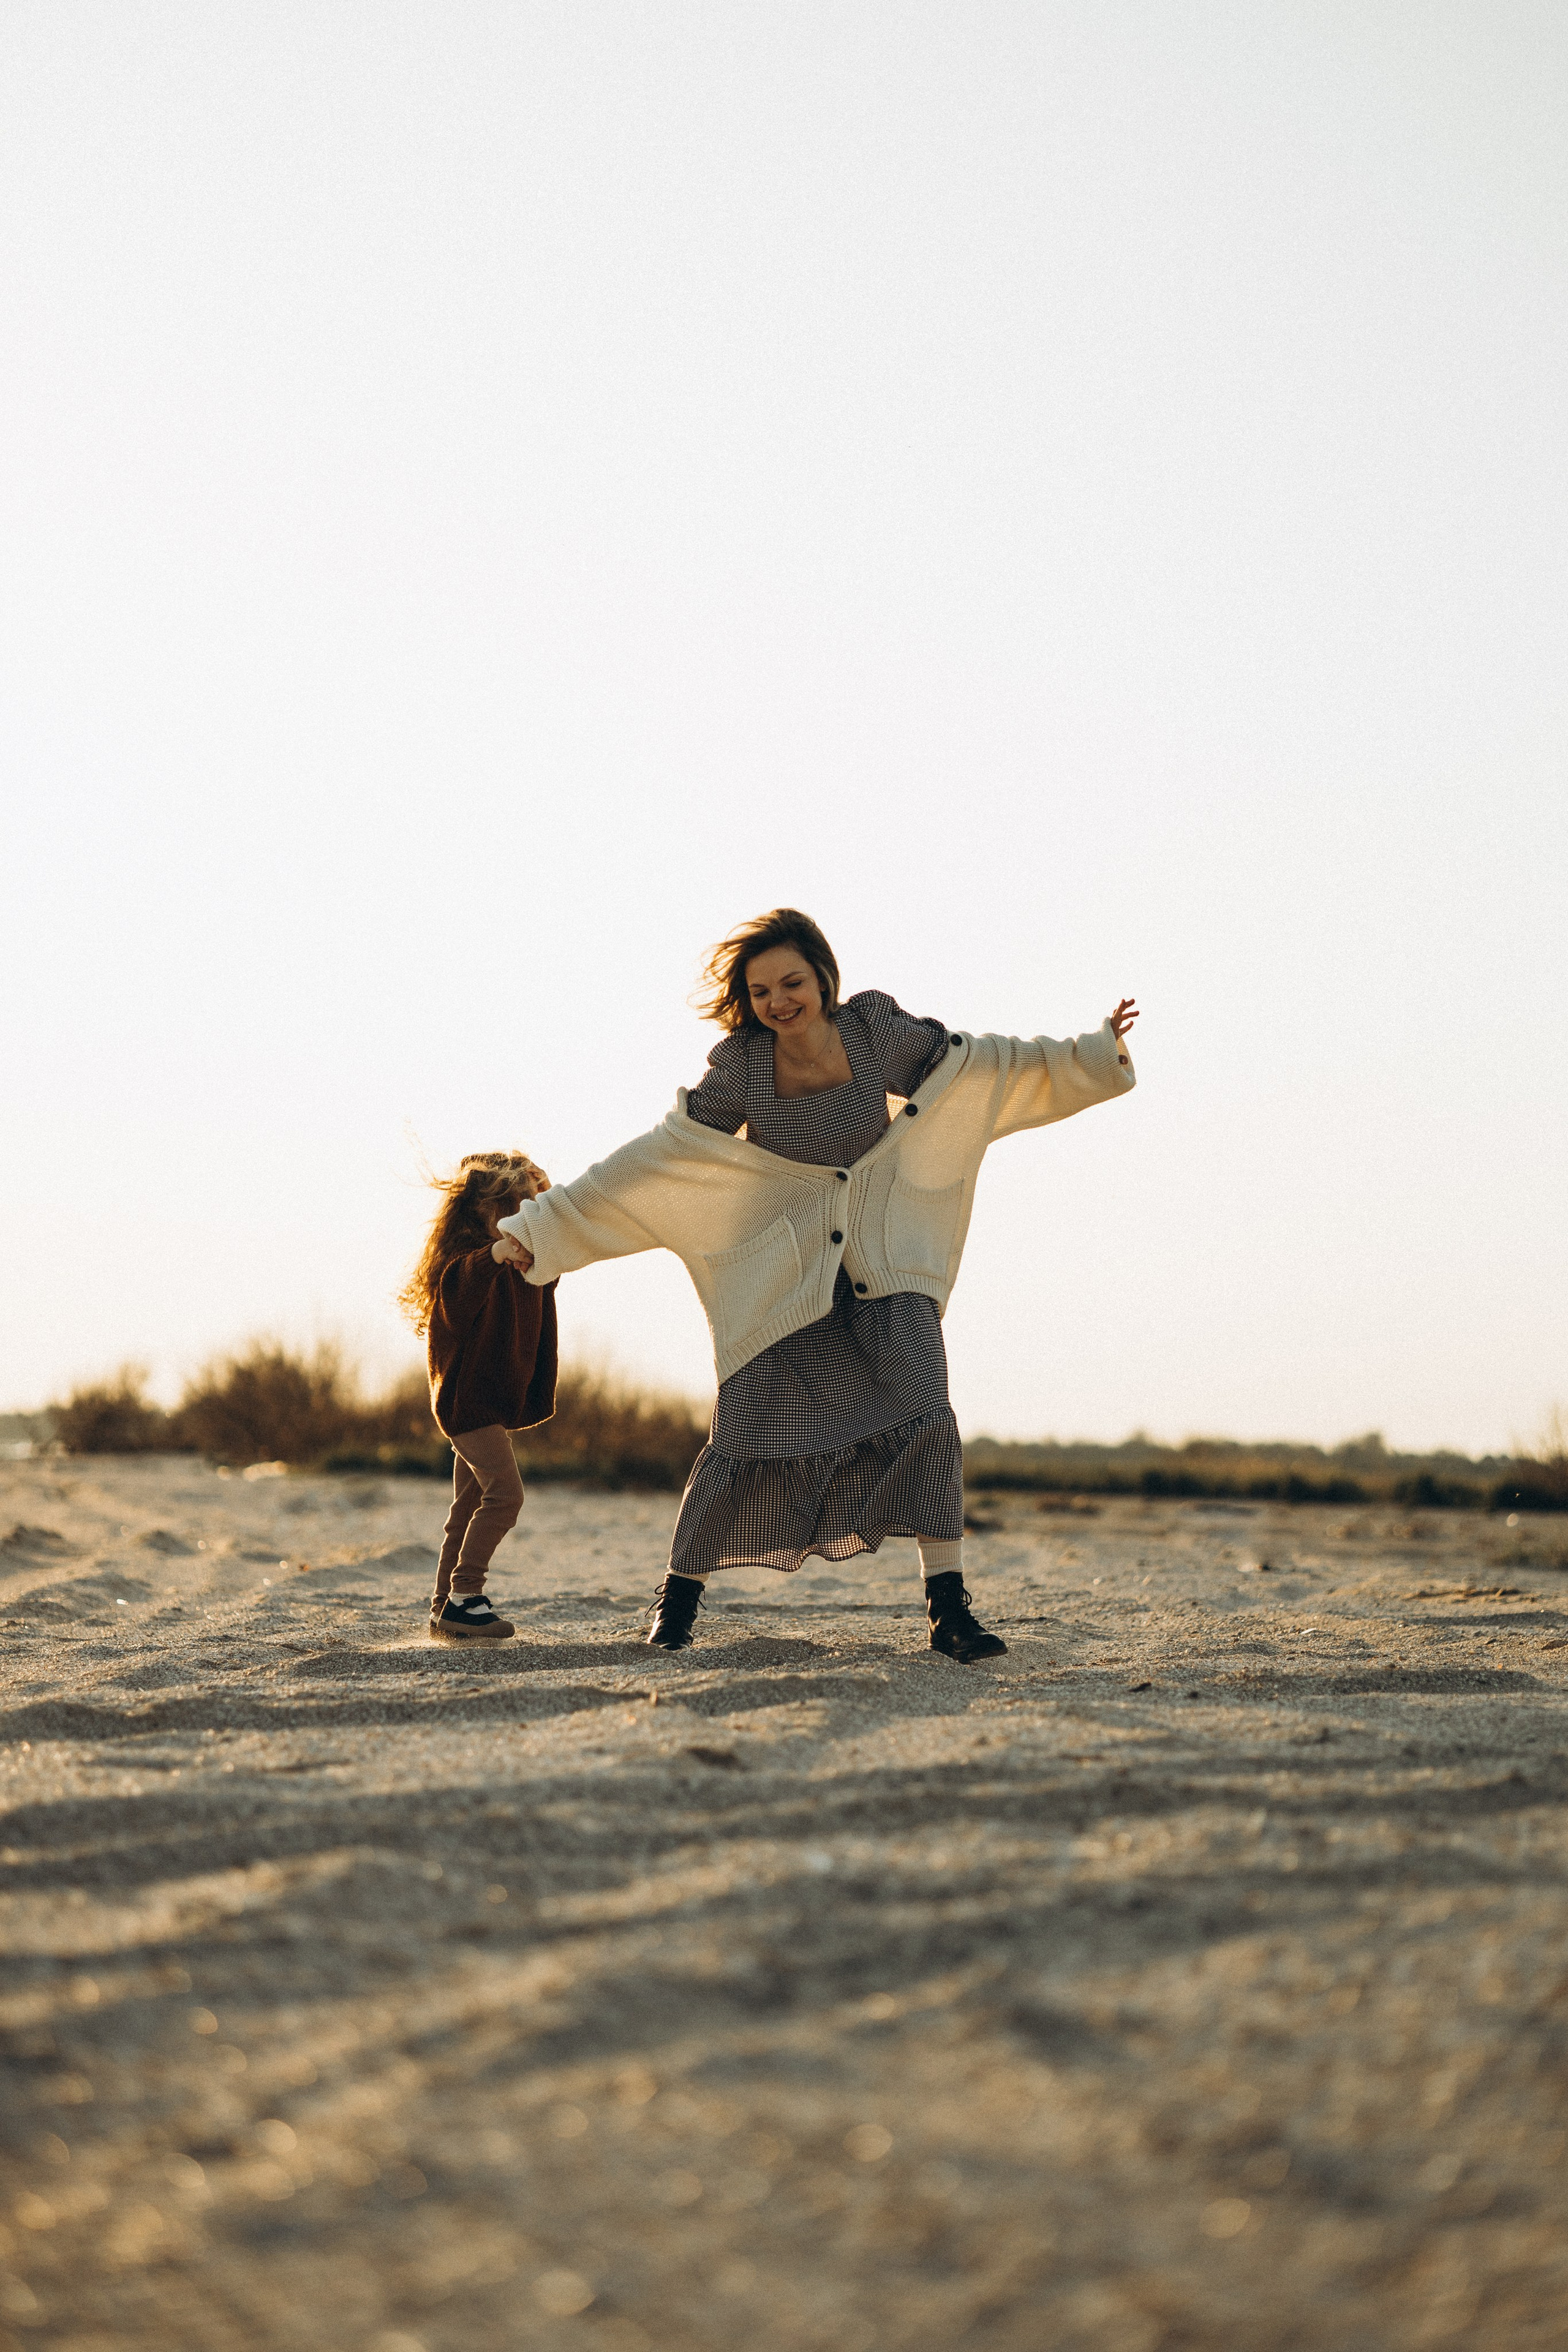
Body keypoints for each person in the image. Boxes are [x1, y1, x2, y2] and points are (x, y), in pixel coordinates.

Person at [497, 911, 1137, 1660]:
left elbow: (981, 1066)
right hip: (783, 1277)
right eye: (761, 990)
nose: (779, 1000)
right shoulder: (743, 1067)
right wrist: (540, 1227)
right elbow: (660, 1160)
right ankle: (676, 1606)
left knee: (926, 1410)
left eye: (792, 982)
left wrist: (1090, 1053)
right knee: (740, 1434)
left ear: (824, 978)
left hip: (884, 1264)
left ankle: (948, 1610)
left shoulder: (873, 1032)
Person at [398, 1150, 558, 1642]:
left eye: (527, 1206)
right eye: (508, 1207)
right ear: (480, 1211)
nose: (519, 1218)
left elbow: (549, 1275)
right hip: (468, 1404)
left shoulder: (519, 1262)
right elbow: (458, 1291)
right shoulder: (466, 1263)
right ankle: (467, 1595)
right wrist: (495, 1255)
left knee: (466, 1509)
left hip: (488, 1404)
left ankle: (443, 1607)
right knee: (506, 1496)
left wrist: (545, 1240)